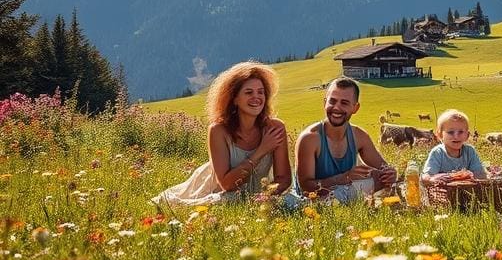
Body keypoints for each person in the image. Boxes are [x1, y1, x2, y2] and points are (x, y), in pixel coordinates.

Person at [152, 61, 291, 206]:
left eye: (261, 92)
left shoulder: (275, 128)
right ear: (234, 99)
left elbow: (284, 179)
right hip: (217, 192)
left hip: (259, 194)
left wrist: (265, 196)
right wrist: (261, 150)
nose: (256, 97)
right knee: (225, 202)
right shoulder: (218, 130)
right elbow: (227, 185)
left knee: (290, 202)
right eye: (249, 92)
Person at [294, 77, 398, 202]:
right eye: (332, 101)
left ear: (355, 108)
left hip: (346, 193)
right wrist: (344, 178)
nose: (336, 108)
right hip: (315, 201)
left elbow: (383, 167)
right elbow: (305, 188)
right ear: (324, 103)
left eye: (344, 103)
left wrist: (390, 174)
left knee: (378, 178)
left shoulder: (359, 136)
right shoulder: (310, 138)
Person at [421, 109, 486, 186]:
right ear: (440, 135)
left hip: (468, 191)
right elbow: (425, 177)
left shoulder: (469, 151)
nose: (456, 136)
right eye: (450, 132)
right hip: (443, 192)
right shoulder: (438, 153)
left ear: (467, 135)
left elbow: (481, 175)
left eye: (461, 132)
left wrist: (466, 176)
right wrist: (432, 179)